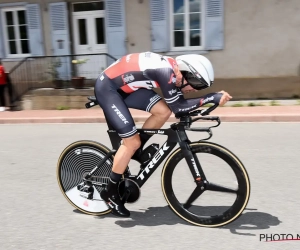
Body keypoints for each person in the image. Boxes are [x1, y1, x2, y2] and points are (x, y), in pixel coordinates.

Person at [94, 52, 232, 217]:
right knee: (131, 142)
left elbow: (176, 108)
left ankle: (136, 150)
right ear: (184, 72)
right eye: (196, 83)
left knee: (163, 111)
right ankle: (110, 193)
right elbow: (179, 108)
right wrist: (211, 97)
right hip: (108, 88)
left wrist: (207, 102)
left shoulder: (173, 72)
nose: (194, 89)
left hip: (127, 87)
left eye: (200, 87)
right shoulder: (166, 73)